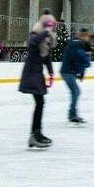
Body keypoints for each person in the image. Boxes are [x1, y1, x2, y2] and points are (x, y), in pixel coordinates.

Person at [19, 9, 56, 149]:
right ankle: (35, 134)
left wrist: (51, 72)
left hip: (37, 75)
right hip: (31, 74)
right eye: (49, 26)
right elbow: (34, 41)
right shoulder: (35, 35)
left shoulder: (44, 39)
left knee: (40, 102)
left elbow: (47, 57)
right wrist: (46, 30)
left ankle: (36, 133)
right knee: (40, 102)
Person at [60, 28, 92, 124]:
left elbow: (79, 61)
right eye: (87, 36)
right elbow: (81, 58)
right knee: (75, 92)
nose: (88, 38)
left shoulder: (77, 44)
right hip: (67, 72)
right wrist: (87, 58)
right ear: (83, 36)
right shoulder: (76, 44)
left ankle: (72, 114)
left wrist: (81, 73)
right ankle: (72, 115)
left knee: (76, 92)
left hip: (70, 71)